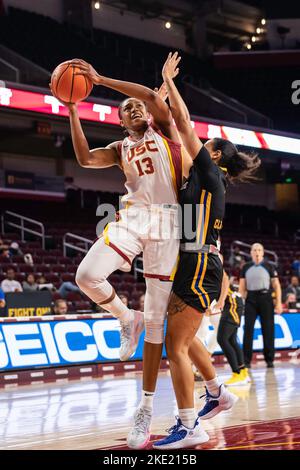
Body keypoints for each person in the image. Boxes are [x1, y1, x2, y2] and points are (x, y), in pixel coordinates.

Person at [50, 58, 185, 449]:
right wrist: (73, 109)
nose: (135, 109)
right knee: (86, 275)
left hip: (169, 224)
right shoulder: (119, 146)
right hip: (133, 216)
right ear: (121, 123)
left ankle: (144, 410)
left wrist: (100, 80)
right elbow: (85, 159)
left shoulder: (162, 127)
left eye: (138, 107)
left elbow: (146, 95)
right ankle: (128, 317)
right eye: (127, 111)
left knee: (159, 323)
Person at [153, 52, 261, 449]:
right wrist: (158, 99)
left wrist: (171, 82)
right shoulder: (200, 176)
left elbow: (182, 124)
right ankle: (218, 392)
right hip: (193, 259)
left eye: (205, 144)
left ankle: (189, 425)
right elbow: (171, 130)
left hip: (200, 260)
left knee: (174, 347)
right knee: (183, 339)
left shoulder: (211, 172)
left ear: (213, 155)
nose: (196, 144)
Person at [239, 243, 283, 369]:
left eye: (259, 250)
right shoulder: (245, 267)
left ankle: (270, 360)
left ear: (263, 252)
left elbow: (276, 285)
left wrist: (279, 302)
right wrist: (241, 303)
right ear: (251, 252)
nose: (257, 252)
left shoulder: (269, 266)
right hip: (250, 300)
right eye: (254, 250)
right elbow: (242, 288)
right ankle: (246, 361)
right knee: (248, 330)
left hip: (266, 299)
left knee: (268, 330)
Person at [217, 276, 249, 386]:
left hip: (232, 306)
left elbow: (223, 282)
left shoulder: (212, 264)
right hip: (234, 303)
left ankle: (237, 373)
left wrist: (220, 301)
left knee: (222, 340)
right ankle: (243, 372)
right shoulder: (215, 265)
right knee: (231, 340)